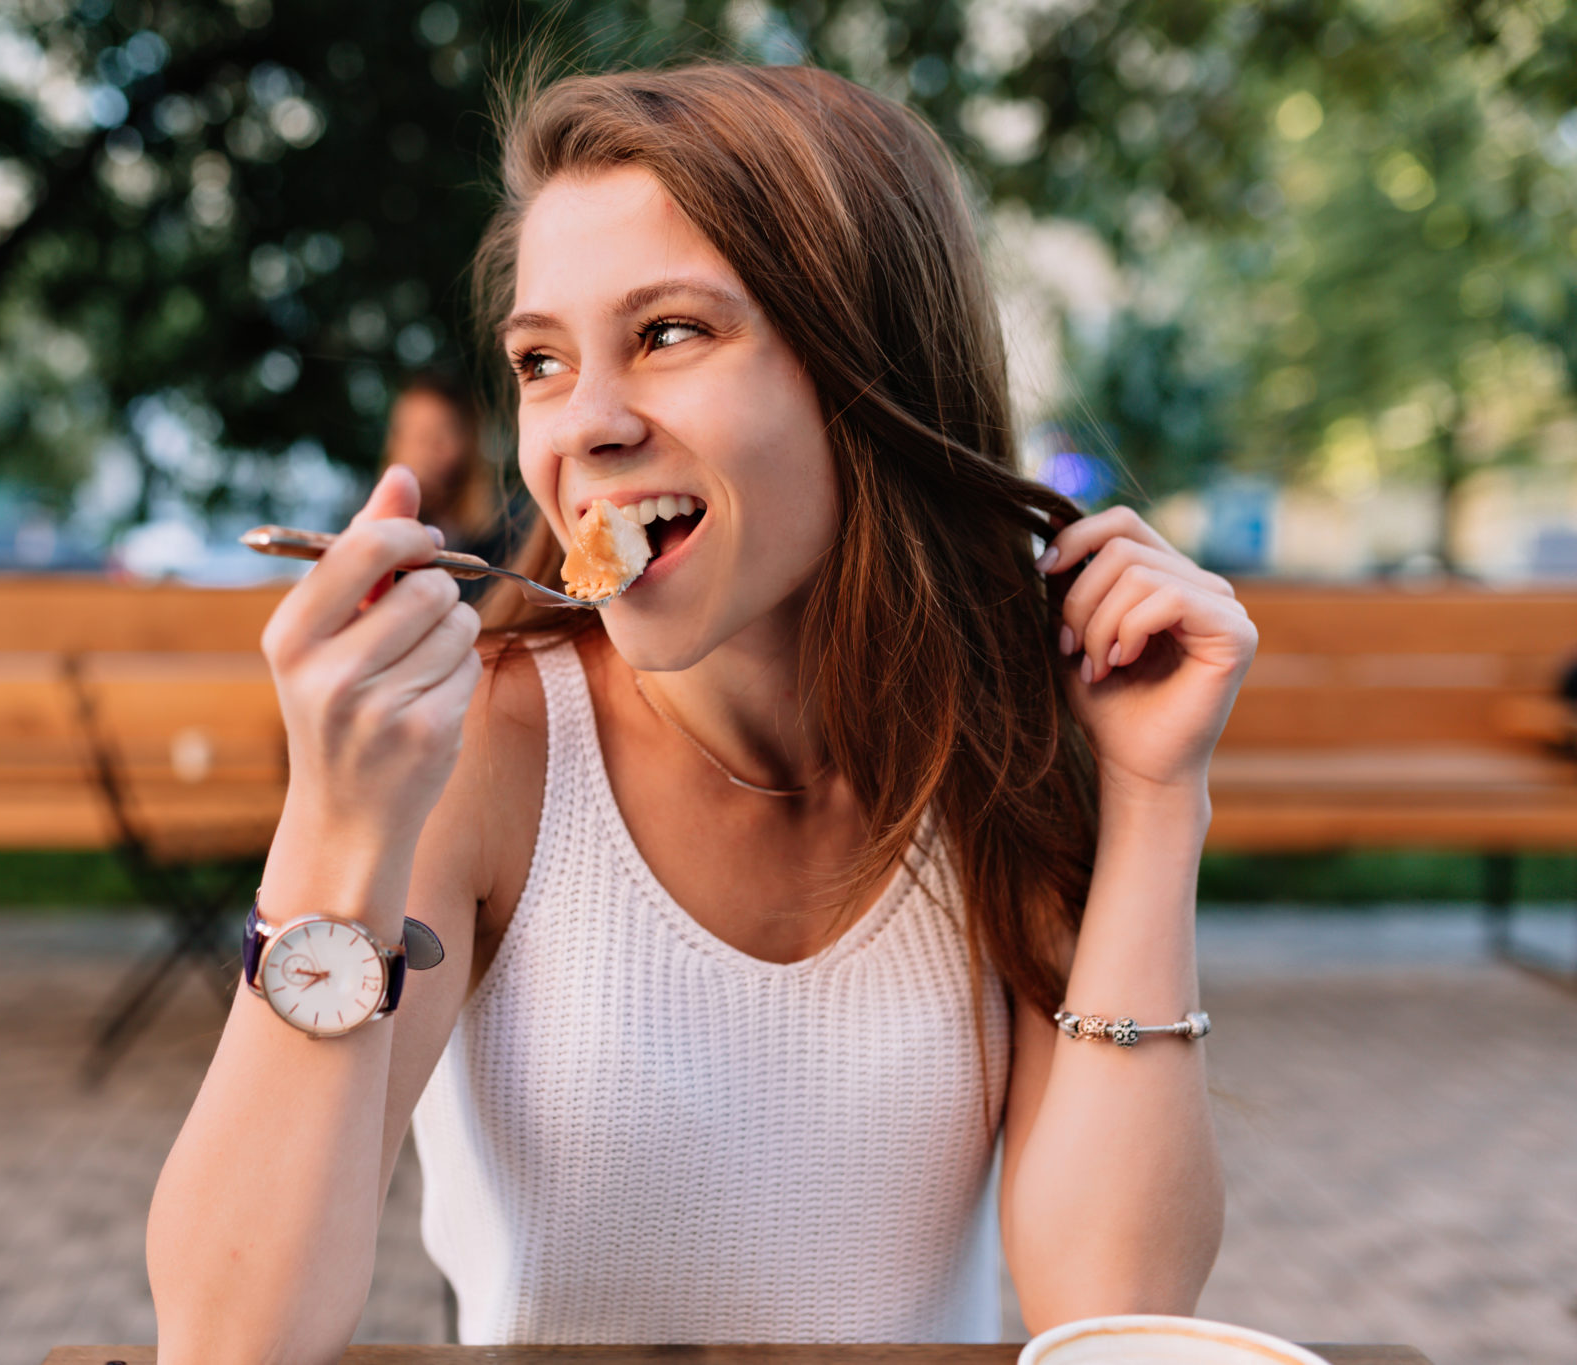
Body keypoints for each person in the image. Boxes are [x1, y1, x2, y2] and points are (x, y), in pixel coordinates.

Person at [148, 63, 1255, 1357]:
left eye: (670, 332)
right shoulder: (492, 751)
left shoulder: (1000, 747)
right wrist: (334, 828)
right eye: (542, 361)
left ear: (869, 376)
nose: (586, 426)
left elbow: (1114, 1307)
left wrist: (1156, 794)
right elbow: (230, 1340)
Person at [379, 369, 507, 565]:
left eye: (441, 434)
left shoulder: (507, 531)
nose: (425, 449)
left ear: (468, 442)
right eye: (414, 434)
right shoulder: (378, 532)